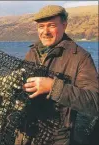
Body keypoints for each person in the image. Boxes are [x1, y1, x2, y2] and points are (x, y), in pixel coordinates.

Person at [15, 5, 99, 145]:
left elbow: (94, 101)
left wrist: (53, 87)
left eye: (51, 25)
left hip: (55, 139)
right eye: (41, 26)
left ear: (64, 25)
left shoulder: (80, 57)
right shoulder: (33, 51)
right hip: (25, 134)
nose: (45, 31)